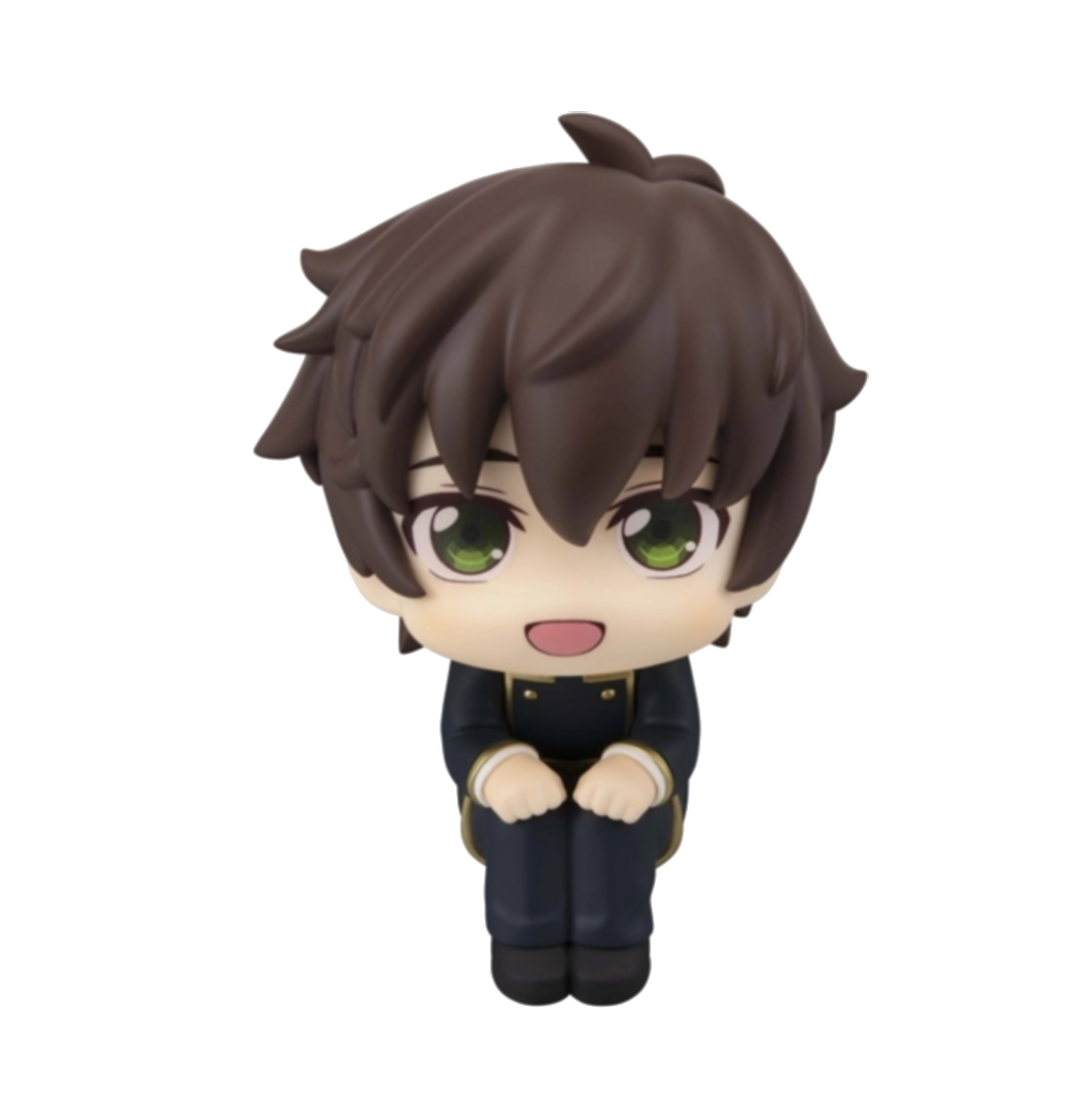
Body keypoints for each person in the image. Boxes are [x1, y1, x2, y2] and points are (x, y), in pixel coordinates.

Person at [254, 112, 866, 1005]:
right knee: (524, 867)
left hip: (626, 800)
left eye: (663, 532)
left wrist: (644, 767)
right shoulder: (486, 668)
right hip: (516, 803)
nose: (562, 598)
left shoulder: (650, 666)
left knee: (617, 863)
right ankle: (527, 953)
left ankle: (615, 956)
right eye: (470, 534)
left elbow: (674, 728)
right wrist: (495, 768)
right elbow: (466, 730)